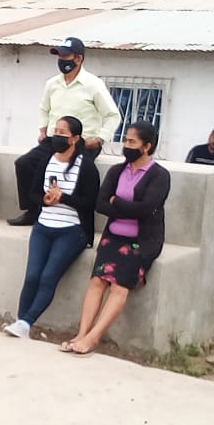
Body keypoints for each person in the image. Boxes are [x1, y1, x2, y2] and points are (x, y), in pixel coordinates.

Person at [62, 122, 170, 355]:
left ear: (147, 146)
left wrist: (117, 202)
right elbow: (100, 204)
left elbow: (147, 209)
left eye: (132, 142)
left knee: (119, 286)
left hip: (142, 242)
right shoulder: (116, 171)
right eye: (126, 140)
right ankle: (82, 333)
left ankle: (93, 338)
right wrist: (125, 207)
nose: (126, 145)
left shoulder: (159, 176)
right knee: (97, 281)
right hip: (113, 236)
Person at [3, 115, 101, 338]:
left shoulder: (86, 166)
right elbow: (33, 193)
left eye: (62, 133)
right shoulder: (47, 160)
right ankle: (21, 323)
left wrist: (63, 198)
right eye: (55, 131)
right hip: (43, 226)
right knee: (32, 276)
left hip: (72, 230)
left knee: (48, 277)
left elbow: (90, 203)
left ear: (75, 138)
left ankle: (26, 322)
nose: (57, 136)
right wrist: (44, 200)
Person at [7, 37, 121, 226]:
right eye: (59, 56)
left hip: (82, 143)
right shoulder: (52, 83)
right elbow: (44, 108)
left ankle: (78, 222)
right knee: (24, 163)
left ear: (78, 58)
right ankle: (33, 211)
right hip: (55, 139)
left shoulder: (93, 84)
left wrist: (99, 139)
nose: (61, 60)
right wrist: (43, 129)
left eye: (66, 56)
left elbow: (112, 115)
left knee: (75, 176)